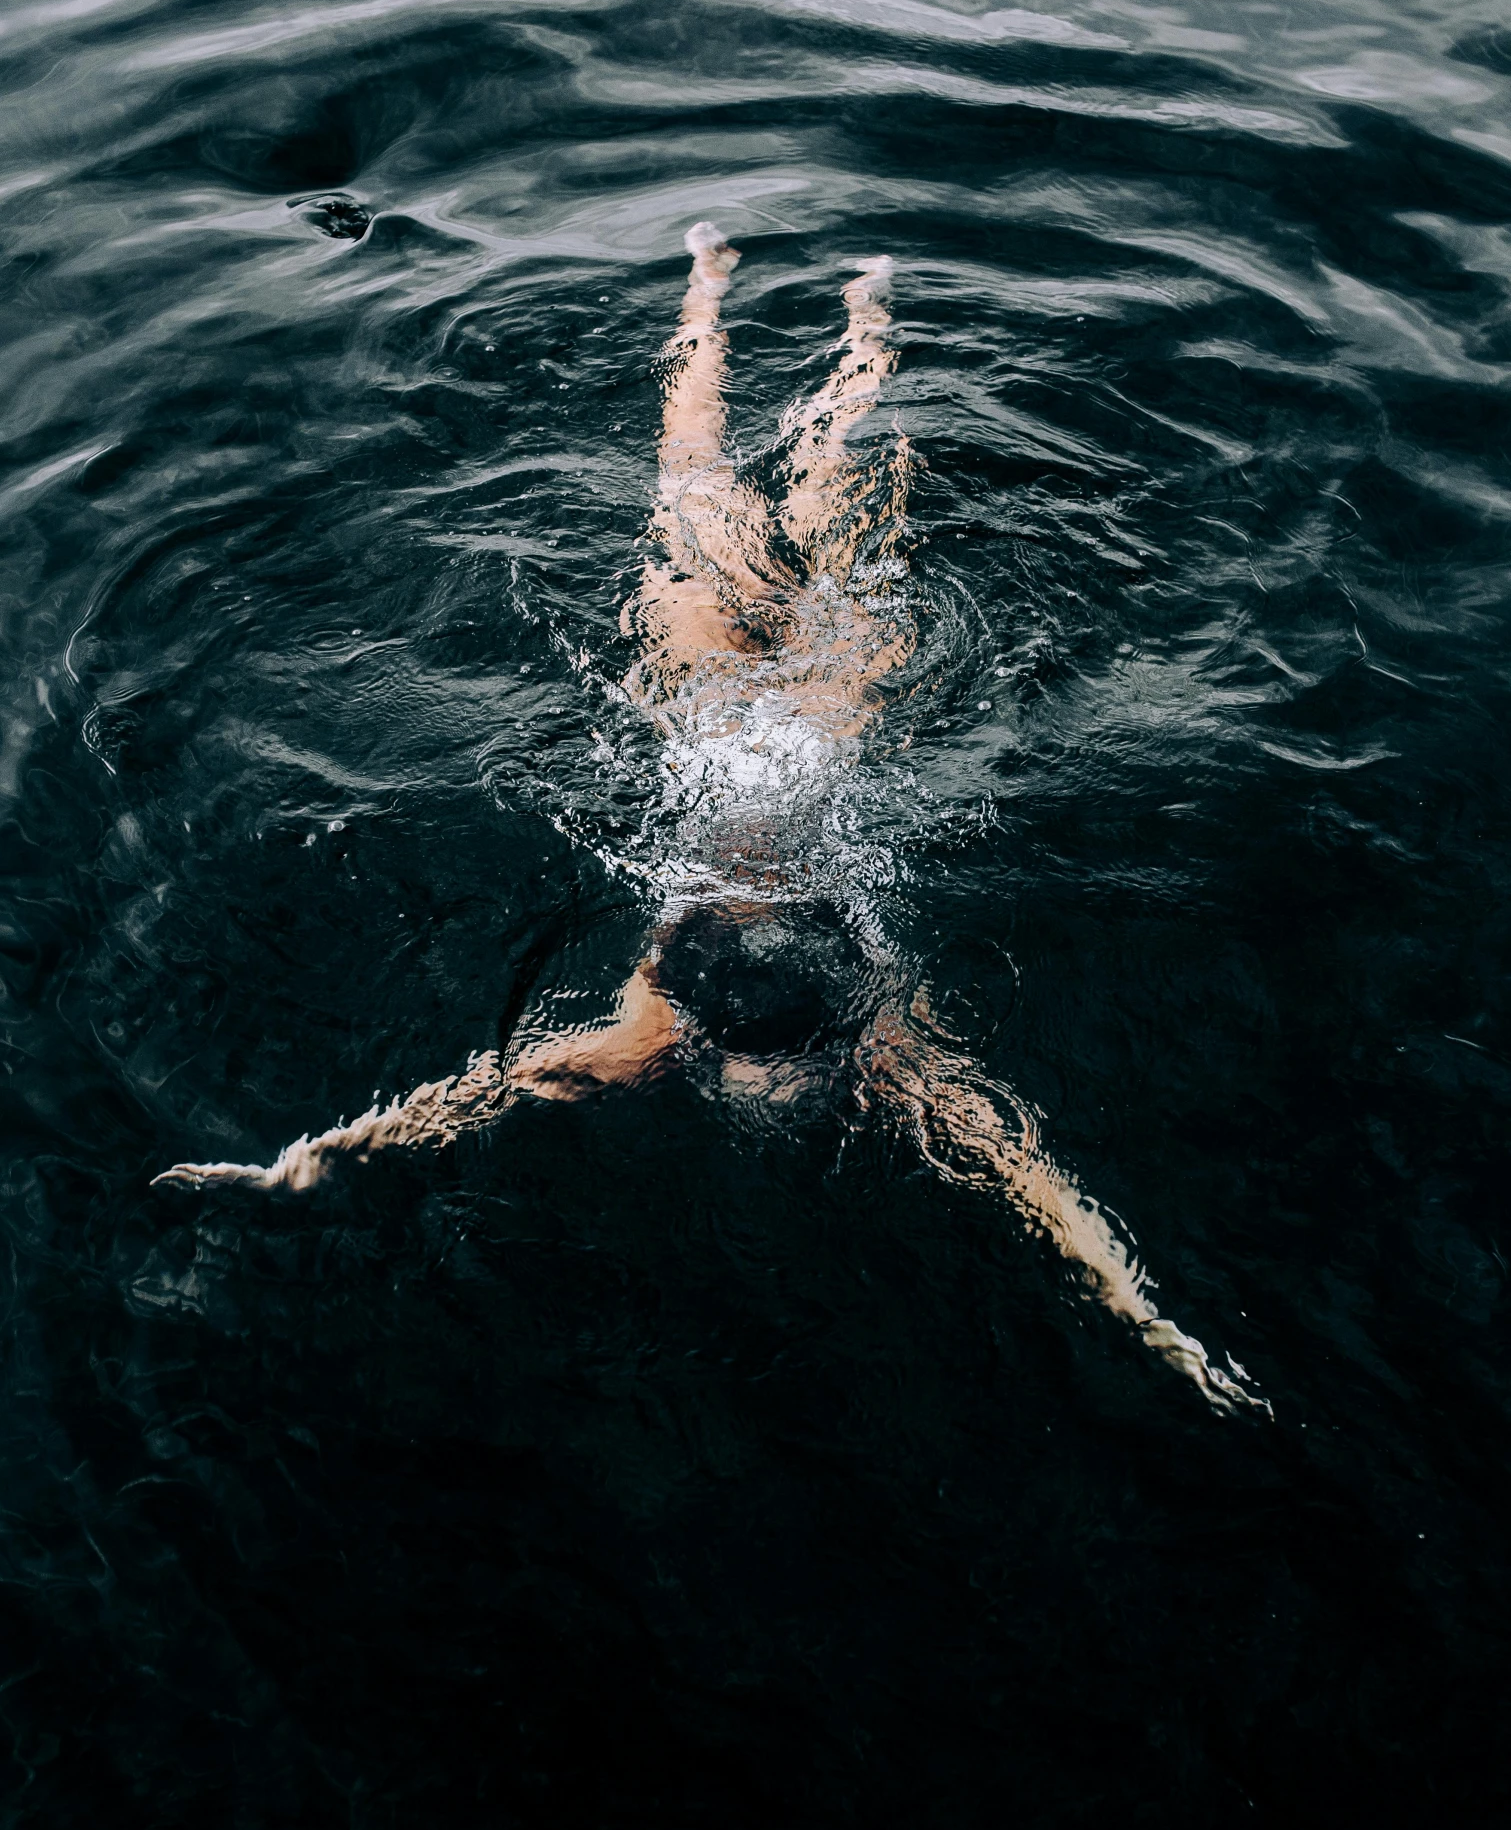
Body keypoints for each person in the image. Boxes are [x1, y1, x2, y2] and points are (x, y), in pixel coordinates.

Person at [157, 224, 1264, 1417]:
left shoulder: (723, 1030)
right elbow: (1029, 1183)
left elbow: (461, 1099)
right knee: (733, 481)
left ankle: (800, 301)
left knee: (775, 490)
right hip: (753, 715)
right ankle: (796, 299)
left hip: (802, 713)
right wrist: (1150, 1319)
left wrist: (301, 1159)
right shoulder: (808, 1036)